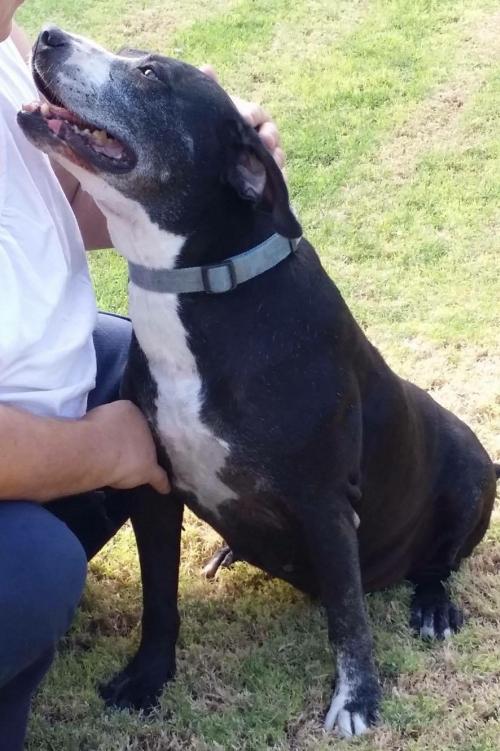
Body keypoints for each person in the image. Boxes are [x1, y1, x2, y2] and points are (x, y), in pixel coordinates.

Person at [0, 2, 285, 748]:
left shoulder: (1, 39)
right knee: (32, 571)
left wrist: (182, 168)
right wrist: (108, 446)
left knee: (162, 379)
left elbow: (59, 201)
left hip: (48, 378)